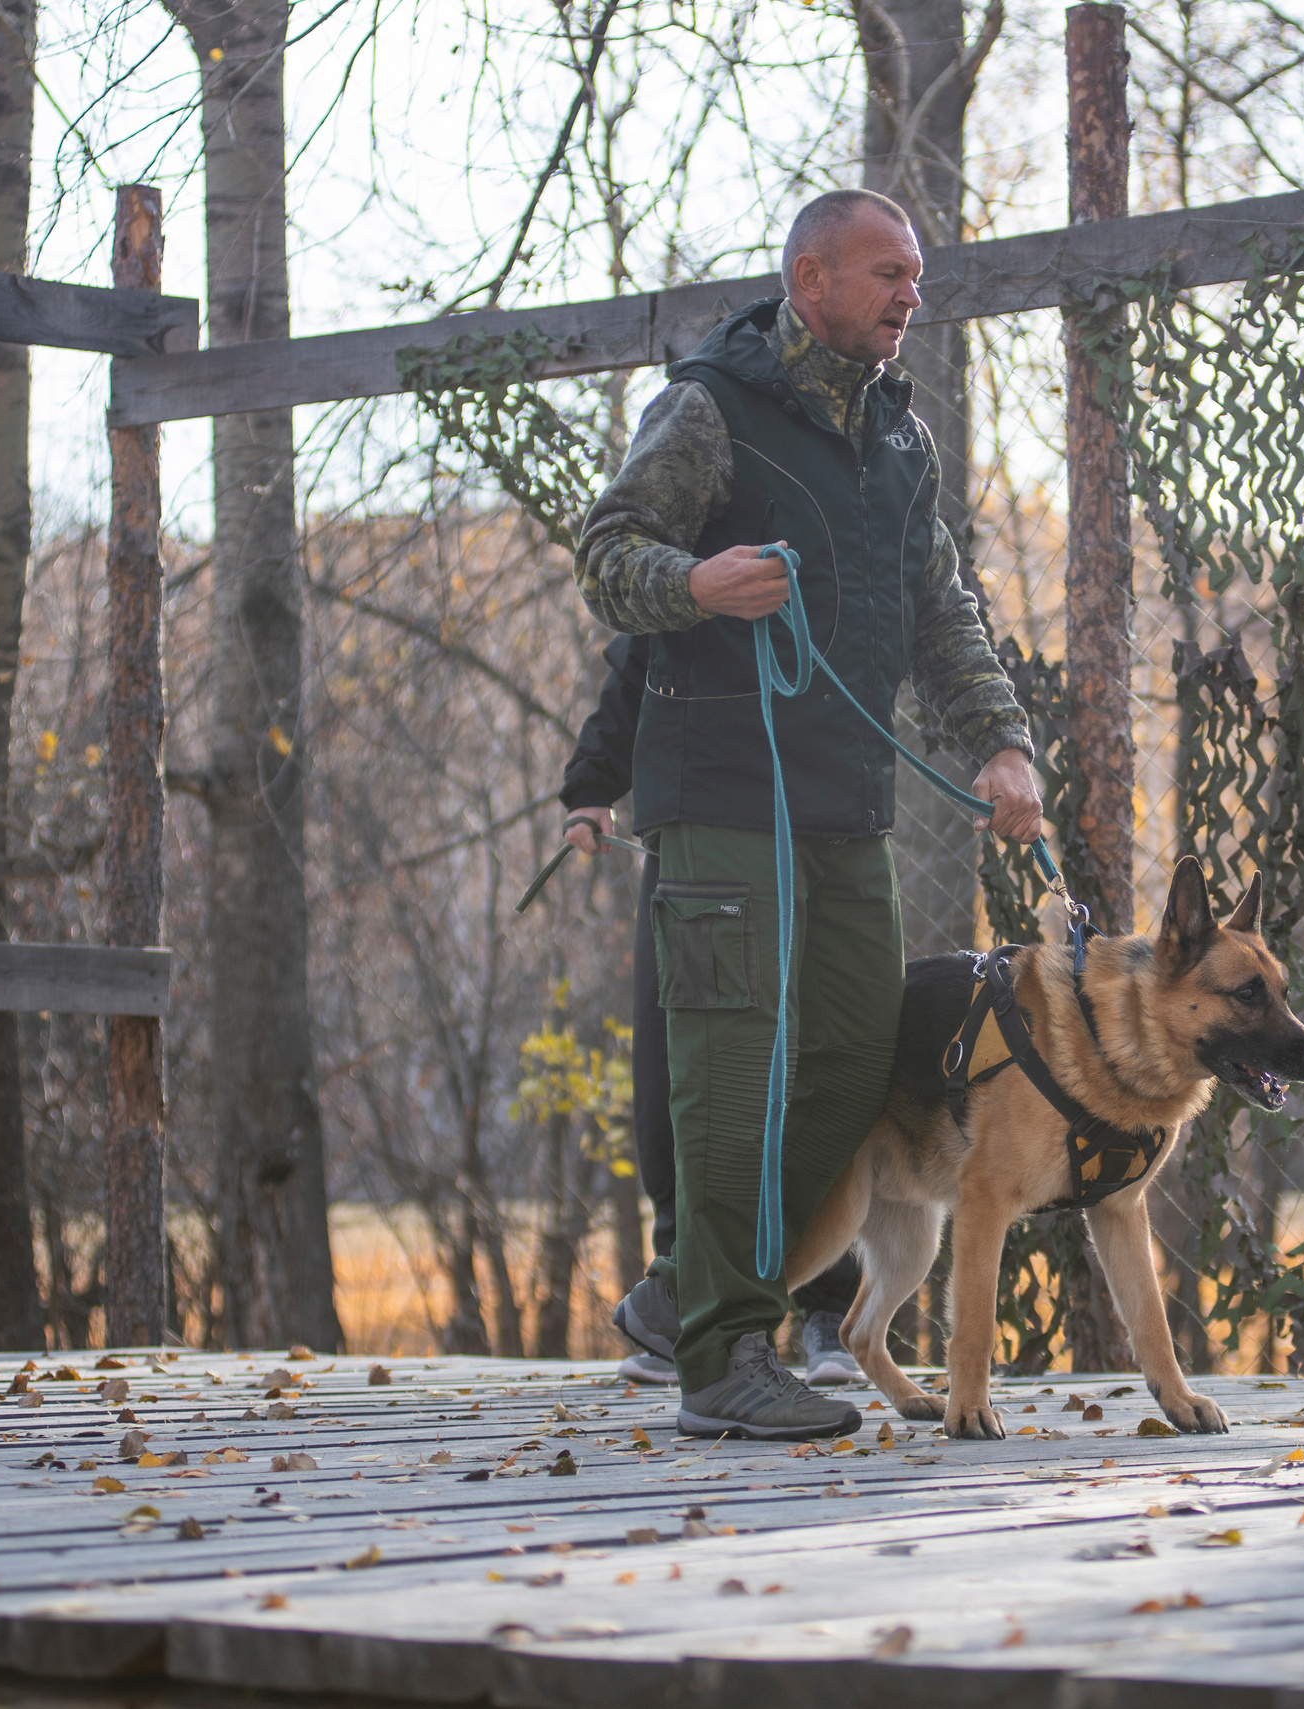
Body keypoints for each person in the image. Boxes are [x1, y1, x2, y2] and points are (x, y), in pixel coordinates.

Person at [571, 187, 1042, 1441]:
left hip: (848, 803)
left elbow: (938, 606)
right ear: (810, 278)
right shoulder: (709, 407)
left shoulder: (901, 437)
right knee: (730, 1074)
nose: (909, 295)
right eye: (887, 272)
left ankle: (687, 1297)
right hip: (722, 797)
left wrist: (999, 742)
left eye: (917, 277)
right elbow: (608, 552)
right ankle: (726, 1357)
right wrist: (695, 581)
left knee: (850, 1057)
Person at [556, 635, 868, 1389]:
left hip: (821, 812)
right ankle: (684, 1309)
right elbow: (644, 647)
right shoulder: (682, 535)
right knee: (679, 1080)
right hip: (697, 808)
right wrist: (595, 779)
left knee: (819, 1070)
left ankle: (829, 1311)